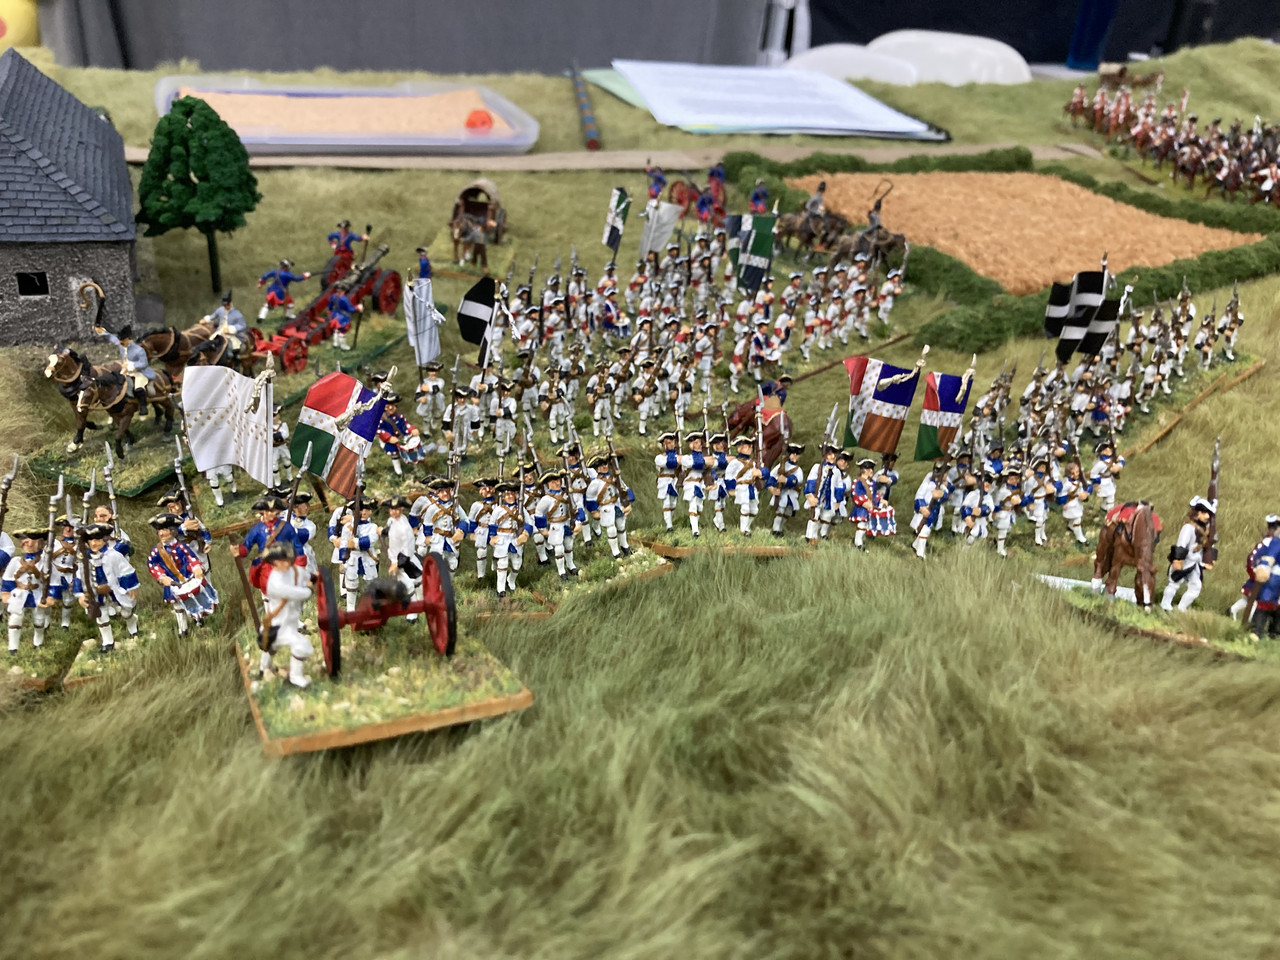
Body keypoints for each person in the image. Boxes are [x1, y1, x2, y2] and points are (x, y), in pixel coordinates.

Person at [74, 522, 140, 653]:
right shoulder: (85, 560)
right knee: (101, 615)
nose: (94, 543)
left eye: (98, 540)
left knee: (125, 612)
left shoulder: (113, 555)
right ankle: (108, 641)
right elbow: (79, 577)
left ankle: (133, 626)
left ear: (104, 540)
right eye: (91, 540)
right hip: (96, 592)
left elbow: (126, 571)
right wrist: (80, 594)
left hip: (114, 590)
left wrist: (132, 587)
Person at [257, 542, 315, 689]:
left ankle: (264, 668)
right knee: (301, 645)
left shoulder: (293, 570)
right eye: (282, 560)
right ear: (274, 562)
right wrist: (309, 588)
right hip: (279, 624)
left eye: (288, 560)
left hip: (291, 620)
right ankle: (295, 678)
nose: (287, 563)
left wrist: (314, 577)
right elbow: (302, 593)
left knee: (272, 646)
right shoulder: (275, 583)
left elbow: (306, 576)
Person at [148, 514, 215, 636]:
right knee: (178, 607)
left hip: (188, 579)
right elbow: (152, 565)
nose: (161, 534)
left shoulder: (181, 546)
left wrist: (196, 568)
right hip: (173, 582)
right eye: (159, 531)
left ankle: (198, 618)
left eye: (164, 530)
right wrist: (162, 577)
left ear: (173, 531)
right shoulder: (156, 551)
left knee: (193, 599)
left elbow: (191, 558)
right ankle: (183, 629)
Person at [2, 527, 55, 654]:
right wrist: (6, 593)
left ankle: (38, 642)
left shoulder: (46, 562)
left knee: (39, 619)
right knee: (15, 618)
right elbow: (8, 580)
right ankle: (13, 648)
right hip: (19, 593)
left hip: (38, 593)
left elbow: (54, 581)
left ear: (40, 542)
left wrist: (51, 596)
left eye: (30, 539)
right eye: (23, 539)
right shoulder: (16, 561)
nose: (26, 542)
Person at [1161, 496, 1216, 612]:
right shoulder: (1188, 528)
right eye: (1204, 513)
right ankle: (1165, 605)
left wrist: (1210, 559)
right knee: (1174, 584)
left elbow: (1209, 545)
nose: (1207, 516)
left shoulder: (1206, 530)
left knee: (1196, 587)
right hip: (1184, 561)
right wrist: (1177, 560)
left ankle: (1181, 609)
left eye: (1208, 514)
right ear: (1196, 513)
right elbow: (1181, 545)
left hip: (1194, 563)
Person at [94, 323, 155, 418]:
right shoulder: (121, 345)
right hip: (125, 371)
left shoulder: (139, 350)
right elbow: (112, 338)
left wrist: (131, 366)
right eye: (120, 341)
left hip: (138, 372)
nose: (120, 342)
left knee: (138, 387)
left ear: (128, 339)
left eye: (123, 340)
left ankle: (143, 406)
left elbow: (143, 363)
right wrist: (101, 331)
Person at [534, 470, 583, 580]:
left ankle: (571, 565)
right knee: (559, 549)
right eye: (553, 481)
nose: (557, 483)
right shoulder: (546, 499)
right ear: (548, 484)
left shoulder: (567, 494)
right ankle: (561, 571)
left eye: (558, 480)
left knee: (569, 545)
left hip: (567, 523)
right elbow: (539, 513)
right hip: (555, 526)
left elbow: (577, 506)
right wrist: (542, 529)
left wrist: (578, 521)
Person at [1229, 514, 1279, 622]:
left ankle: (1232, 610)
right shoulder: (1267, 543)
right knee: (1255, 600)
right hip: (1261, 574)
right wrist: (1257, 571)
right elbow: (1254, 558)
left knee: (1250, 598)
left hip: (1268, 576)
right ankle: (1248, 622)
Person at [584, 455, 633, 559]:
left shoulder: (614, 478)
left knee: (621, 526)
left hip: (617, 505)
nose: (605, 467)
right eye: (601, 465)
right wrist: (594, 511)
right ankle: (616, 552)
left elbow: (625, 488)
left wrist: (628, 501)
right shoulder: (595, 483)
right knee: (611, 530)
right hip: (605, 507)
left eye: (605, 464)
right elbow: (590, 498)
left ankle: (625, 546)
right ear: (597, 469)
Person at [769, 442, 805, 537]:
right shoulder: (781, 465)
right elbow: (772, 476)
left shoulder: (798, 470)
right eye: (793, 453)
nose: (795, 456)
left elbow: (798, 480)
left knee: (787, 512)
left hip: (792, 495)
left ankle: (780, 528)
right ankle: (776, 529)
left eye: (797, 454)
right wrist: (773, 487)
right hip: (782, 493)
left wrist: (786, 480)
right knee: (780, 511)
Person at [202, 290, 249, 355]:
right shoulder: (220, 310)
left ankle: (234, 357)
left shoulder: (237, 313)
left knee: (233, 347)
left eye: (227, 305)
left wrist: (231, 329)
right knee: (211, 340)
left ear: (231, 303)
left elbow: (243, 325)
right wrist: (206, 319)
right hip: (220, 331)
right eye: (224, 305)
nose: (226, 307)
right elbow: (213, 316)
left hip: (232, 335)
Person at [653, 432, 681, 532]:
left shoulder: (677, 456)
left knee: (673, 503)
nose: (670, 445)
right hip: (664, 481)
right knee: (667, 502)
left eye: (671, 442)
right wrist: (679, 459)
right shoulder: (659, 458)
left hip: (673, 481)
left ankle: (670, 521)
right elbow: (670, 464)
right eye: (668, 443)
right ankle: (669, 526)